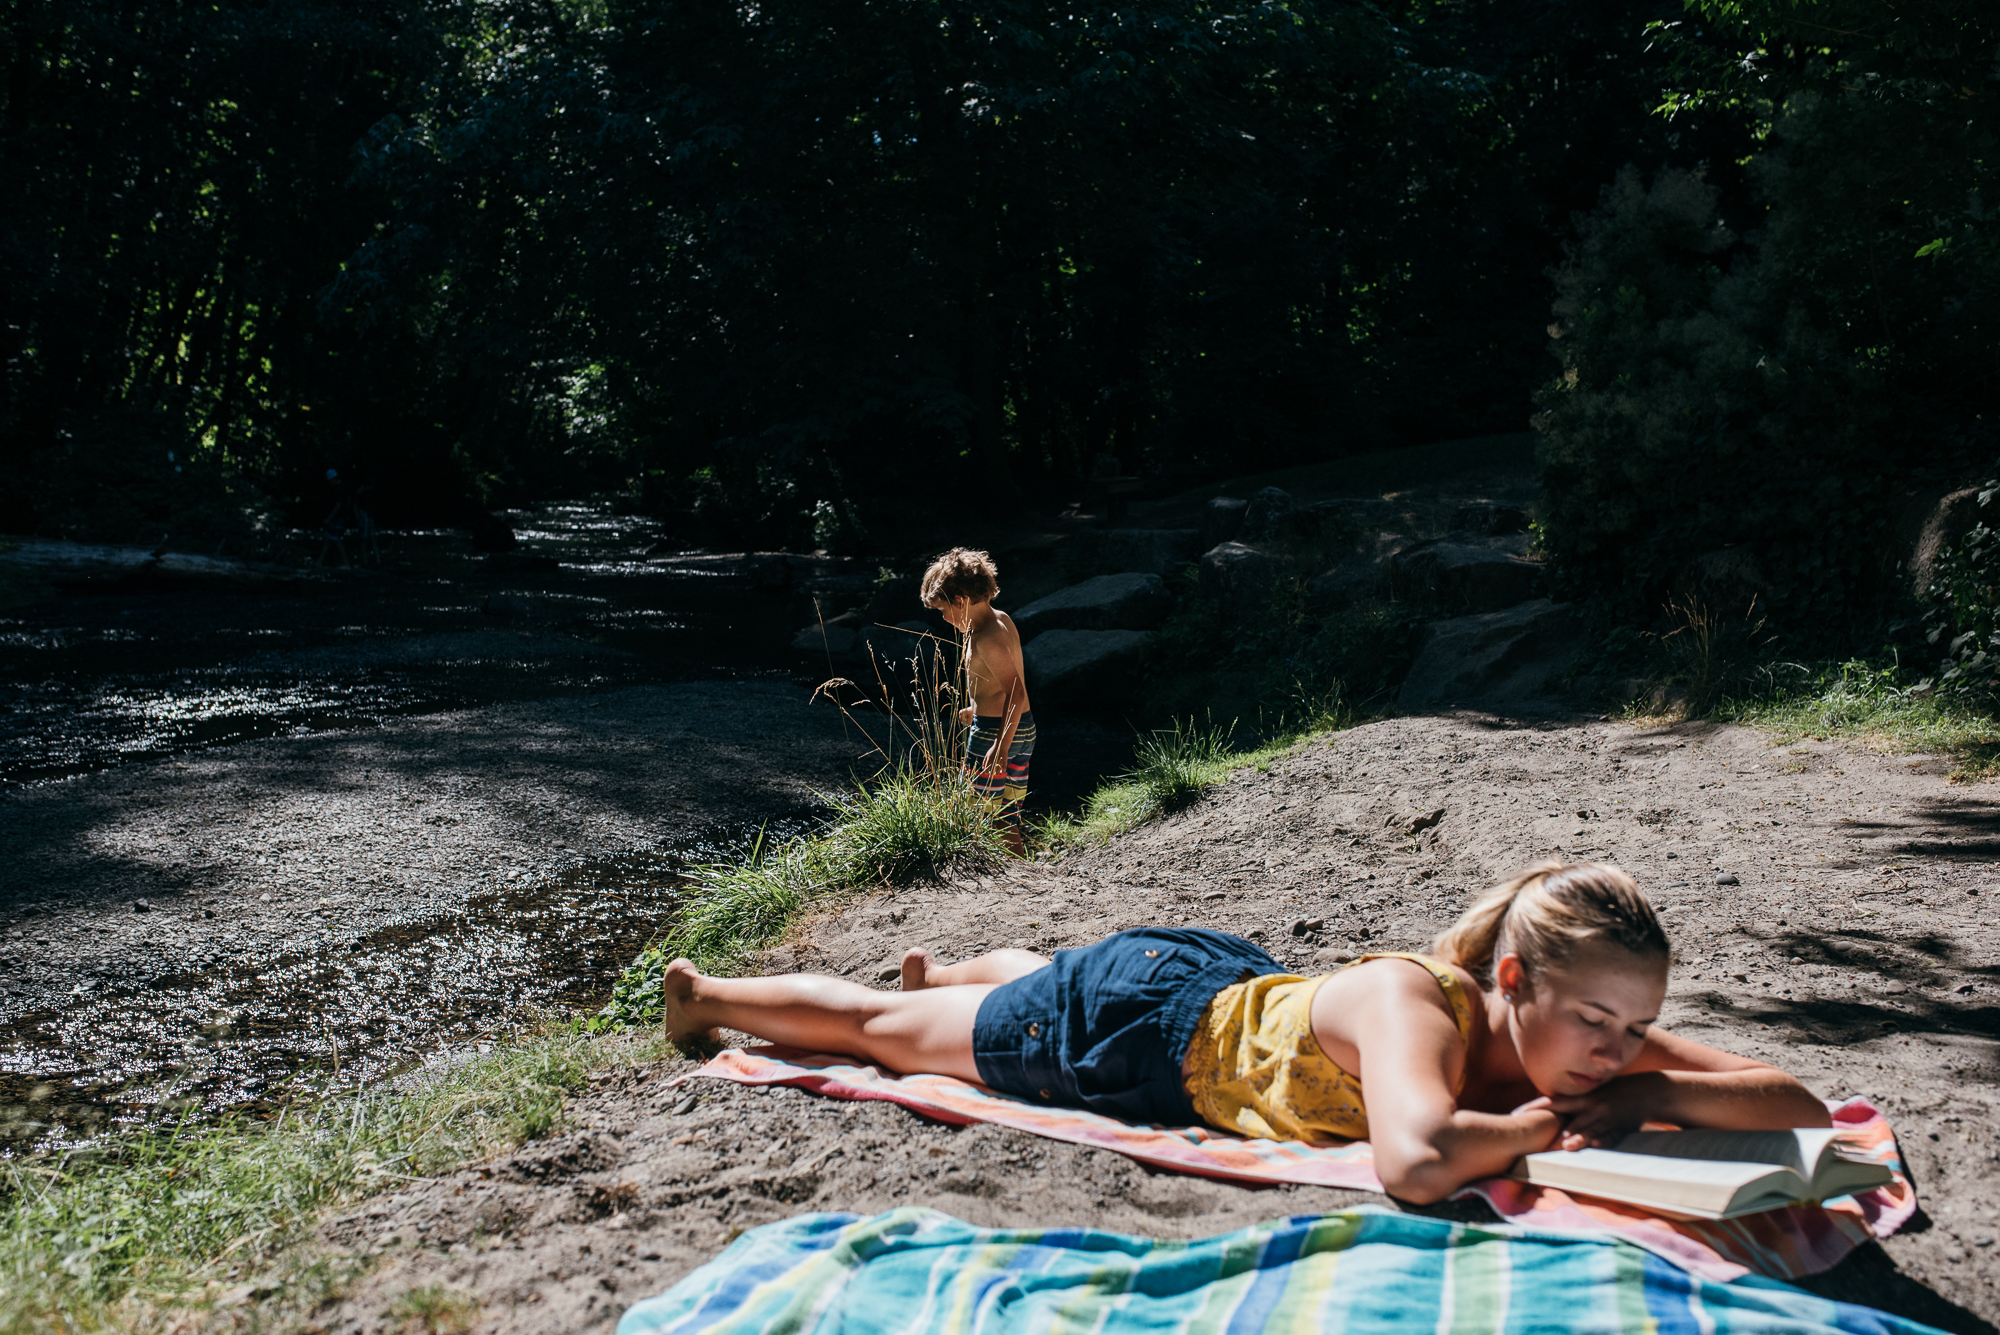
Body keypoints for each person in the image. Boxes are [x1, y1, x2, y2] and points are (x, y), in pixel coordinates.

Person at [659, 862, 1831, 1204]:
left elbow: (1799, 1104)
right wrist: (1531, 1128)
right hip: (1140, 1030)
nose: (1615, 1050)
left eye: (1636, 1031)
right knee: (880, 1030)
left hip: (1222, 988)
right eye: (1595, 1024)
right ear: (1511, 979)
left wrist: (1627, 1099)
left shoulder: (1589, 1047)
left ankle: (967, 976)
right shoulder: (1412, 1005)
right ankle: (707, 996)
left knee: (990, 999)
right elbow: (1415, 1163)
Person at [920, 548, 1035, 856]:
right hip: (1021, 728)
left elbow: (1015, 691)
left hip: (996, 734)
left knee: (974, 812)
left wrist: (1000, 745)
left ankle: (981, 878)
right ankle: (1021, 870)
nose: (944, 618)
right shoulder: (1000, 620)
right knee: (1004, 816)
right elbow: (1003, 686)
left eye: (943, 610)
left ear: (960, 601)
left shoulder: (986, 637)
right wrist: (977, 706)